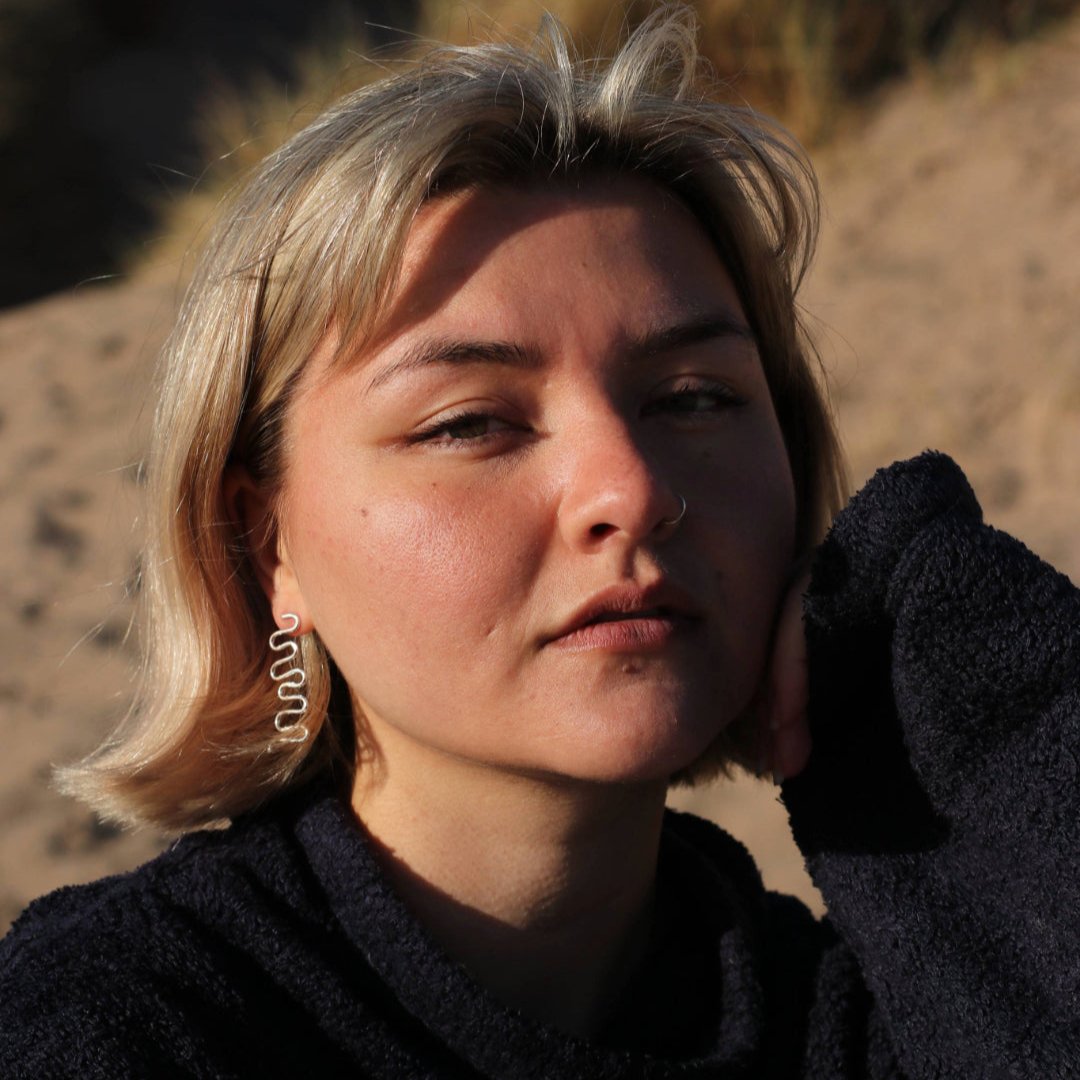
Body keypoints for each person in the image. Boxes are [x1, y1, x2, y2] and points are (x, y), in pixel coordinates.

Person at [1, 7, 1077, 1077]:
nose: (631, 488)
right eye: (470, 422)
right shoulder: (120, 1026)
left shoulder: (883, 1019)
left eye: (695, 398)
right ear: (265, 541)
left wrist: (988, 692)